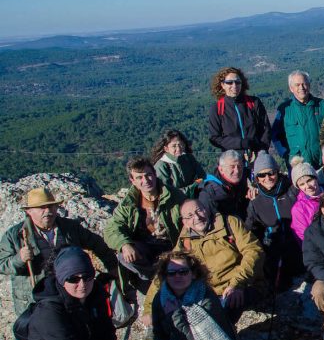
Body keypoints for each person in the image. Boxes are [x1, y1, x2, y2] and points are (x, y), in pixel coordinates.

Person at [0, 188, 115, 317]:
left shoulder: (70, 228)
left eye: (51, 206)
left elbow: (97, 244)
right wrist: (19, 259)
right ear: (29, 211)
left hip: (70, 296)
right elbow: (1, 264)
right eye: (42, 208)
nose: (48, 211)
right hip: (37, 299)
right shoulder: (15, 235)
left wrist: (112, 267)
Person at [162, 199, 265, 321]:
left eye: (199, 210)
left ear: (206, 209)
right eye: (190, 216)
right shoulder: (185, 240)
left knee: (220, 316)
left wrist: (237, 283)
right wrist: (148, 309)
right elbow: (167, 268)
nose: (197, 217)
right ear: (185, 222)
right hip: (209, 293)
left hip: (242, 284)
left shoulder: (229, 223)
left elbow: (254, 250)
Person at [104, 157, 185, 294]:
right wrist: (124, 244)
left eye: (148, 175)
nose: (146, 180)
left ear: (154, 174)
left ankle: (163, 275)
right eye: (139, 177)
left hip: (171, 246)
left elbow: (188, 219)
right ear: (132, 181)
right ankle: (157, 276)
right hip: (144, 249)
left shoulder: (174, 196)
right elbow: (111, 229)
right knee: (124, 256)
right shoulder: (128, 204)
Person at [244, 152, 301, 292]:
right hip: (274, 252)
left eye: (271, 173)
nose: (267, 178)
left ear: (277, 171)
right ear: (256, 178)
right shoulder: (256, 202)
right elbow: (252, 231)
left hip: (299, 246)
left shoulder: (291, 190)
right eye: (262, 175)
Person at [206, 67, 270, 159]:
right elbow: (215, 138)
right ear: (222, 85)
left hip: (257, 156)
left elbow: (265, 128)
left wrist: (261, 151)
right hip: (232, 159)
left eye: (237, 82)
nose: (234, 85)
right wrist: (240, 143)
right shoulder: (217, 109)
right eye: (229, 82)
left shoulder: (254, 103)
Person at [272, 70, 324, 168]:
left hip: (323, 163)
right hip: (297, 164)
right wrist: (286, 155)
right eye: (297, 85)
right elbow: (275, 136)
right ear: (291, 88)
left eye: (304, 84)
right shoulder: (284, 109)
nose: (301, 88)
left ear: (309, 85)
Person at [197, 150, 249, 220]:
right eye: (232, 167)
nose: (237, 171)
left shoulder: (242, 181)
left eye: (239, 166)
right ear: (221, 169)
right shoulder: (210, 192)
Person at [152, 129, 205, 196]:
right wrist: (193, 187)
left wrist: (196, 187)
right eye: (174, 146)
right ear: (166, 149)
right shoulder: (161, 166)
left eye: (181, 144)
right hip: (174, 203)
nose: (179, 148)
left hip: (195, 197)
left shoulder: (189, 158)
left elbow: (202, 177)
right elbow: (166, 192)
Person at [289, 160, 324, 242]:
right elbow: (304, 236)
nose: (307, 186)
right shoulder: (299, 209)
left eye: (309, 180)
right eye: (302, 184)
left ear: (315, 178)